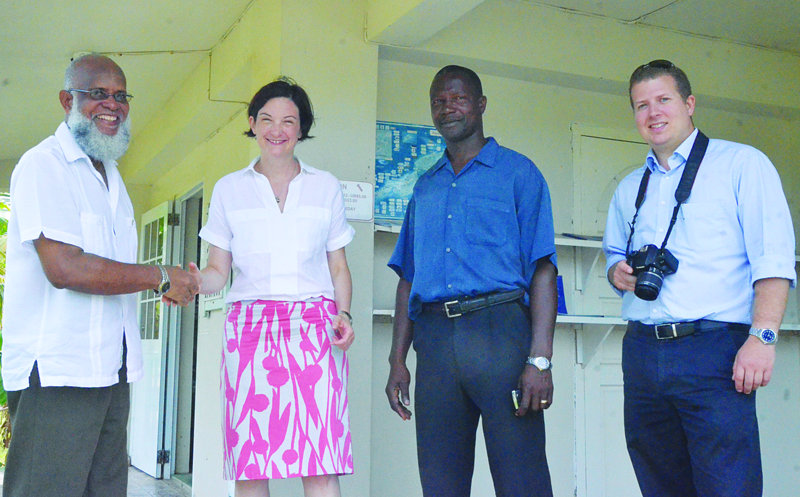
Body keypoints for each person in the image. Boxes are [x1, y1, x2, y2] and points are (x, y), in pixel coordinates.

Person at [1, 54, 199, 497]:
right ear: (65, 99)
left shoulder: (111, 177)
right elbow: (64, 267)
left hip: (111, 371)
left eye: (120, 95)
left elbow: (112, 270)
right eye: (97, 94)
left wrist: (154, 280)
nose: (112, 104)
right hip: (58, 373)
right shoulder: (43, 165)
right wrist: (157, 276)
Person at [603, 59, 796, 497]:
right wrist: (619, 273)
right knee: (659, 482)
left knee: (728, 484)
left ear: (689, 104)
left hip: (715, 350)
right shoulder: (630, 186)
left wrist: (762, 339)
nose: (653, 113)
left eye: (663, 100)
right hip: (642, 351)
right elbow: (613, 260)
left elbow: (774, 260)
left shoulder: (742, 164)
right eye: (641, 105)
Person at [385, 65, 558, 497]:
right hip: (437, 342)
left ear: (480, 105)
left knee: (523, 481)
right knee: (441, 482)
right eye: (439, 101)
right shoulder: (424, 188)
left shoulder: (519, 174)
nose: (448, 108)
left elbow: (543, 269)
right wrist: (396, 361)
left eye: (458, 98)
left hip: (501, 336)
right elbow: (408, 278)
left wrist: (540, 359)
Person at [192, 78, 355, 497]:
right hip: (249, 329)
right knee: (251, 461)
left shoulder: (325, 186)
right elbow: (216, 271)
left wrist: (345, 315)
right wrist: (189, 282)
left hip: (315, 328)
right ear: (252, 123)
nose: (276, 129)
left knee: (320, 459)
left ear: (302, 129)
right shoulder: (229, 189)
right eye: (266, 119)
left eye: (288, 121)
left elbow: (338, 268)